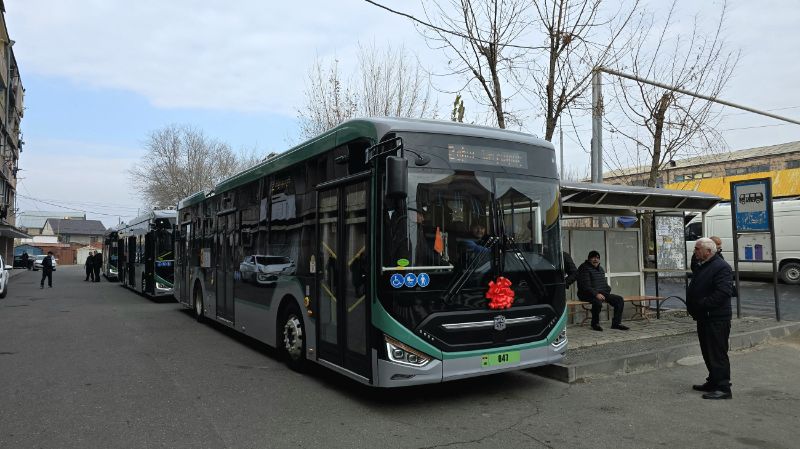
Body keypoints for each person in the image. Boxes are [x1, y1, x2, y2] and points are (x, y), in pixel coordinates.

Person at [687, 237, 733, 400]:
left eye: (697, 249)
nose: (695, 251)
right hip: (704, 317)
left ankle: (723, 387)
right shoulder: (704, 264)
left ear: (708, 251)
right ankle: (713, 381)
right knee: (707, 351)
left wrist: (703, 304)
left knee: (717, 352)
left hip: (716, 318)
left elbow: (723, 293)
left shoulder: (721, 267)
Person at [576, 250, 629, 332]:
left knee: (619, 299)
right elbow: (586, 286)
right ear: (589, 259)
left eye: (597, 258)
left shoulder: (600, 269)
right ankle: (595, 324)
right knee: (597, 302)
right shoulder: (584, 268)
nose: (595, 260)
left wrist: (607, 290)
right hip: (586, 294)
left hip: (600, 293)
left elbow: (603, 283)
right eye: (593, 258)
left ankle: (616, 323)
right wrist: (596, 294)